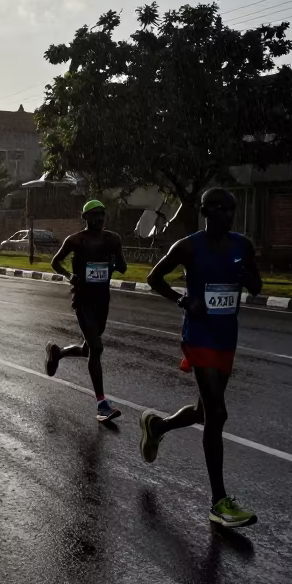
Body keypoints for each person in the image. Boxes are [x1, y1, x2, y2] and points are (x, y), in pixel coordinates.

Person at [140, 187, 262, 529]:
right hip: (199, 336)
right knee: (217, 413)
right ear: (209, 212)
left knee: (202, 410)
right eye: (226, 211)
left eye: (233, 212)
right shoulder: (188, 246)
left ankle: (157, 425)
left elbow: (256, 286)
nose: (231, 218)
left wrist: (247, 273)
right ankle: (219, 502)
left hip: (226, 338)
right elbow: (153, 277)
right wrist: (182, 301)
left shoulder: (242, 245)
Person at [45, 199, 127, 422]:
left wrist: (111, 264)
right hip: (83, 299)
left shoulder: (113, 239)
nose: (99, 218)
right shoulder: (75, 240)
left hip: (102, 300)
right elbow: (55, 262)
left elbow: (123, 266)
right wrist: (69, 276)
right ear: (85, 217)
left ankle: (58, 353)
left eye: (102, 214)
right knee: (96, 348)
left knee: (88, 348)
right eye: (94, 215)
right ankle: (102, 404)